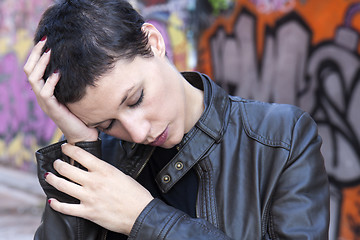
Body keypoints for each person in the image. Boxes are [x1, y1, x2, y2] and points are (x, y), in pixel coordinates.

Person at [24, 0, 330, 239]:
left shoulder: (281, 138)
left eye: (135, 99)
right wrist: (81, 146)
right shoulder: (102, 155)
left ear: (154, 42)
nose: (138, 131)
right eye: (107, 125)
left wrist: (144, 218)